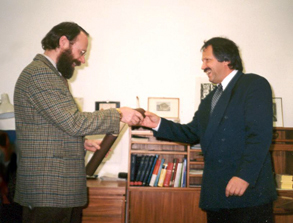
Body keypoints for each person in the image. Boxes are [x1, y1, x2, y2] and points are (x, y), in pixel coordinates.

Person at [13, 22, 143, 223]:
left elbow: (55, 123)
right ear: (63, 42)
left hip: (57, 190)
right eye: (81, 52)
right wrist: (118, 113)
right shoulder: (40, 73)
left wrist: (79, 142)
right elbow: (73, 122)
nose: (82, 59)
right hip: (48, 190)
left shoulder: (52, 75)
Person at [141, 37, 277, 223]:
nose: (203, 66)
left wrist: (244, 176)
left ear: (226, 60)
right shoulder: (210, 98)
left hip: (248, 193)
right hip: (217, 196)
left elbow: (259, 135)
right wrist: (157, 124)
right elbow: (191, 132)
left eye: (207, 60)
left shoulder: (253, 84)